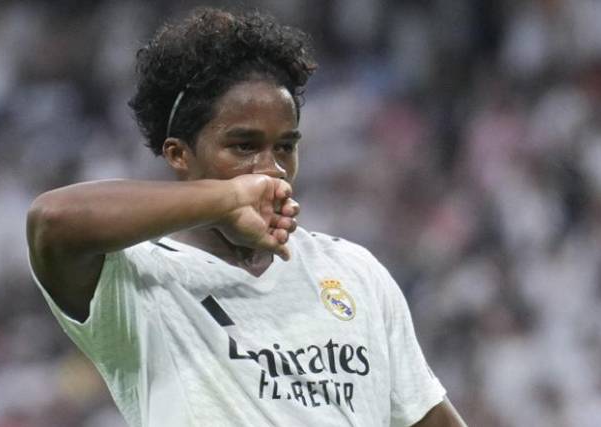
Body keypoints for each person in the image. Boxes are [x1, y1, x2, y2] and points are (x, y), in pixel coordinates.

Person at [26, 7, 466, 427]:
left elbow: (427, 420)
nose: (272, 168)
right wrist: (227, 198)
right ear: (179, 154)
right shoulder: (141, 279)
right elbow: (53, 219)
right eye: (244, 146)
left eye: (285, 146)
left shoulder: (354, 272)